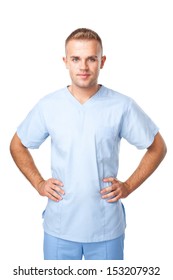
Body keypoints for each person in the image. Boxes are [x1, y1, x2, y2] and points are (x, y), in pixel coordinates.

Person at [10, 28, 167, 260]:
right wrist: (39, 183)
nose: (83, 67)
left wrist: (129, 186)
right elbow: (17, 145)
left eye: (91, 59)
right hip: (59, 227)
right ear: (66, 61)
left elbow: (157, 147)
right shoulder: (49, 106)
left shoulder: (121, 106)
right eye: (76, 59)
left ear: (102, 61)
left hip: (106, 229)